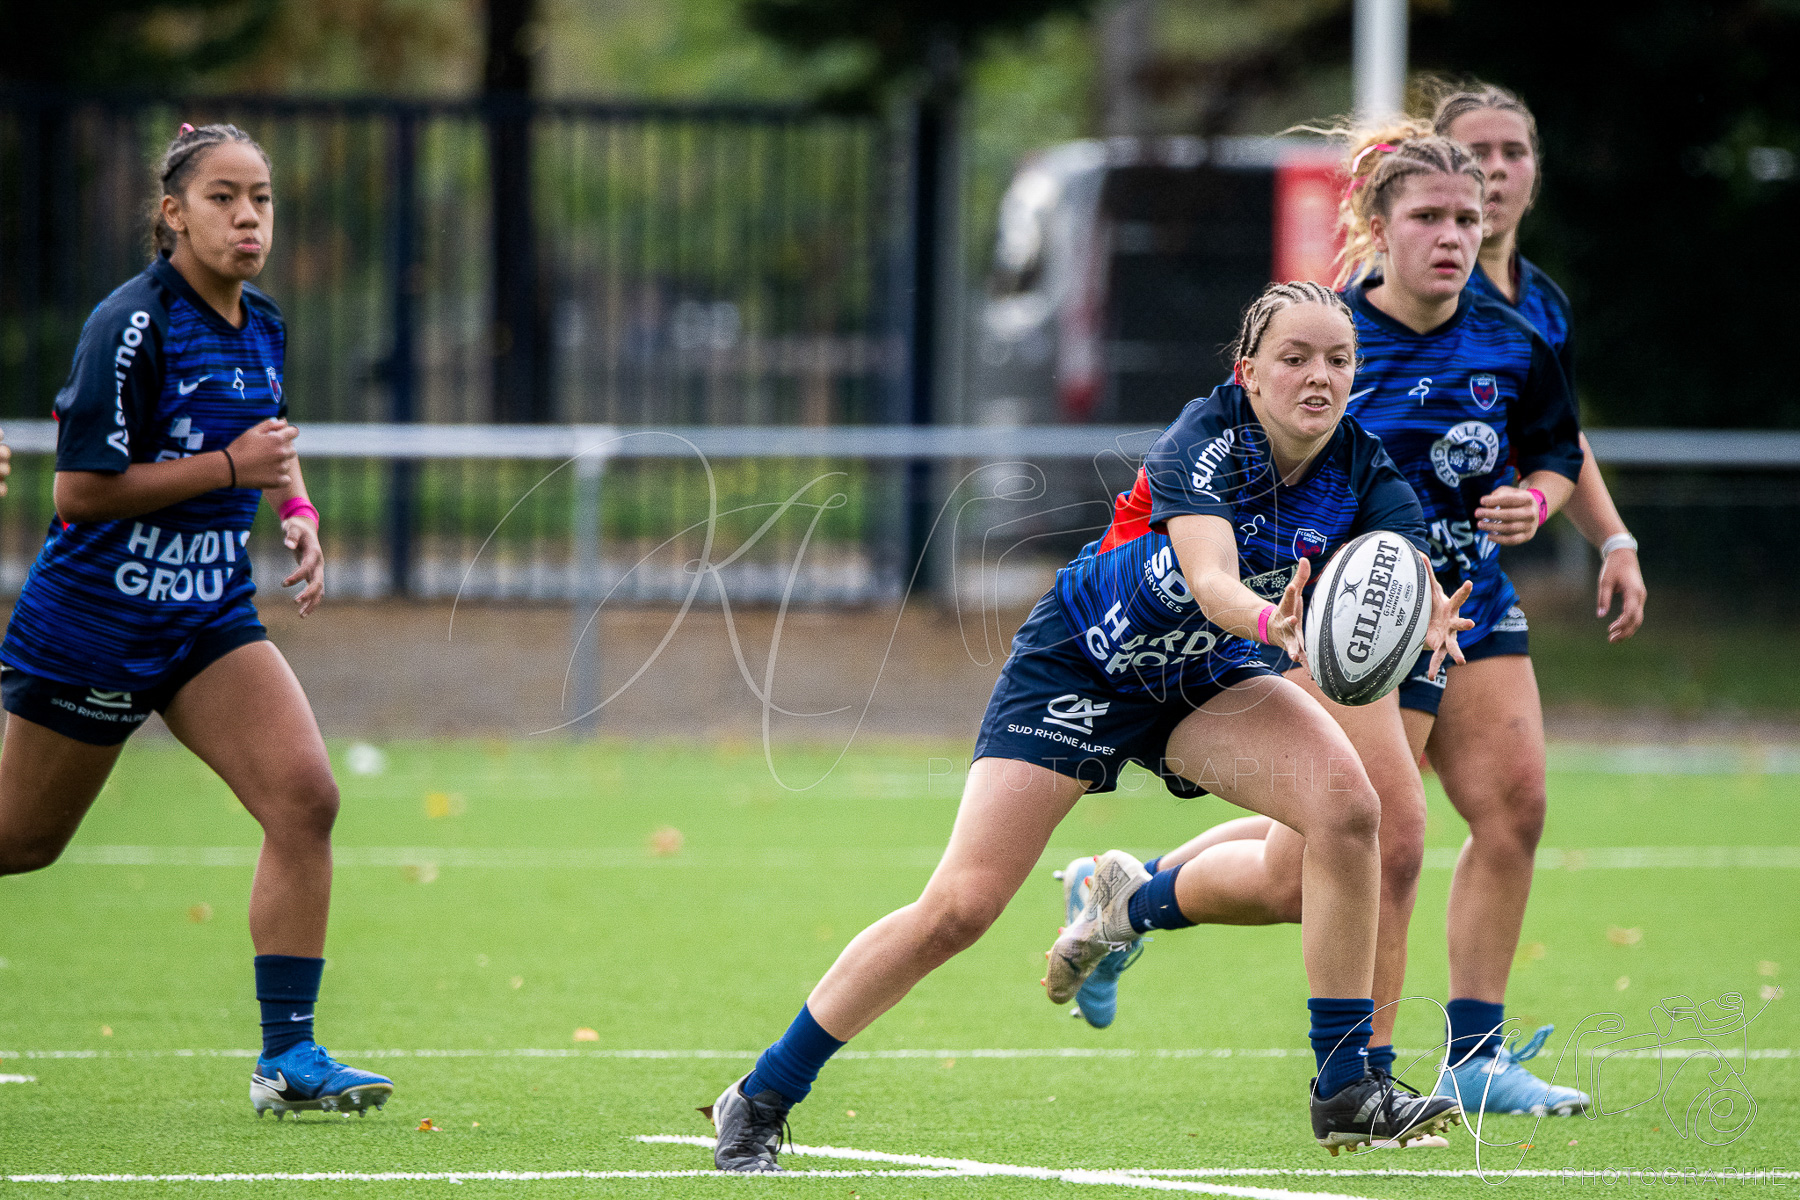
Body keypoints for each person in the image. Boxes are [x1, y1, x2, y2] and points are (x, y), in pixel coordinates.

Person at [702, 282, 1468, 1172]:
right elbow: (1214, 577)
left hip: (1203, 677)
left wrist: (1427, 622)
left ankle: (1345, 1088)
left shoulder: (1365, 470)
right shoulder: (1209, 436)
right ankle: (758, 1097)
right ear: (1249, 373)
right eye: (1294, 359)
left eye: (1337, 360)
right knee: (960, 908)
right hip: (1083, 665)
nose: (1317, 376)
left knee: (1351, 812)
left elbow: (1403, 572)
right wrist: (1276, 626)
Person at [1071, 122, 1592, 1122]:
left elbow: (1560, 452)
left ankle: (1471, 1053)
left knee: (1511, 807)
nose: (1452, 235)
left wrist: (1549, 506)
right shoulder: (1326, 333)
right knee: (1367, 841)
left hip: (1464, 603)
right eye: (1429, 216)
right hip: (1338, 620)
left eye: (1468, 218)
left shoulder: (1517, 335)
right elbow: (1238, 458)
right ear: (1375, 226)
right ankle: (1363, 1071)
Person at [0, 123, 392, 1119]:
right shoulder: (129, 325)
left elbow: (267, 440)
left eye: (261, 197)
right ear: (173, 213)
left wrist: (295, 511)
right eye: (224, 197)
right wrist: (232, 474)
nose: (249, 216)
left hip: (207, 616)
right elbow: (80, 492)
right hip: (95, 625)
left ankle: (288, 1060)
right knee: (21, 842)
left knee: (305, 799)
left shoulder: (261, 322)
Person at [1432, 80, 1646, 643]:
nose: (1497, 169)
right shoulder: (1413, 293)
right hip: (1390, 582)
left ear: (1536, 174)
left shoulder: (1544, 306)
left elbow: (1557, 439)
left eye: (1514, 152)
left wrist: (1615, 541)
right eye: (1477, 154)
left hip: (1475, 581)